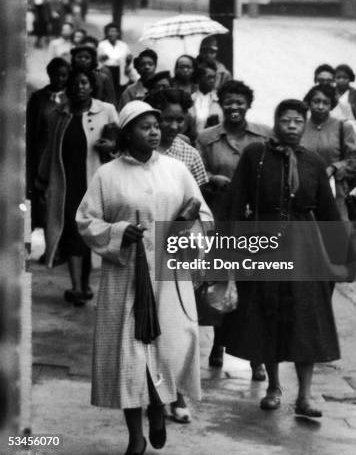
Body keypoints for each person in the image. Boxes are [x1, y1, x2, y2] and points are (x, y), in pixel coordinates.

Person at [76, 101, 212, 455]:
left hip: (169, 276)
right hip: (125, 278)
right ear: (127, 132)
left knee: (170, 346)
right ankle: (135, 436)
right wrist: (120, 232)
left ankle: (157, 408)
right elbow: (87, 221)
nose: (154, 131)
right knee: (129, 358)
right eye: (144, 126)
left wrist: (185, 229)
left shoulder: (177, 170)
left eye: (156, 125)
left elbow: (205, 217)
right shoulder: (107, 174)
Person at [222, 99, 353, 417]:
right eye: (286, 120)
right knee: (270, 317)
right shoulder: (257, 155)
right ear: (276, 122)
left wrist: (342, 256)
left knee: (306, 321)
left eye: (298, 121)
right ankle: (273, 387)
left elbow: (327, 212)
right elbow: (237, 202)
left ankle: (305, 397)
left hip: (306, 251)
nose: (292, 126)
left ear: (305, 125)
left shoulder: (314, 162)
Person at [196, 80, 271, 379]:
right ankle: (218, 344)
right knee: (219, 283)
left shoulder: (264, 136)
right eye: (229, 101)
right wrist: (212, 177)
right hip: (220, 219)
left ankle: (256, 358)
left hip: (253, 223)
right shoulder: (206, 138)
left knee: (253, 288)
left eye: (240, 102)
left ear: (248, 104)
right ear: (220, 103)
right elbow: (194, 177)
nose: (234, 107)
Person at [146, 88, 209, 423]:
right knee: (145, 328)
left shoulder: (189, 155)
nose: (171, 125)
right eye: (165, 118)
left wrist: (190, 222)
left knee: (180, 329)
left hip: (177, 254)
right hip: (142, 250)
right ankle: (150, 393)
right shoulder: (139, 151)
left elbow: (203, 208)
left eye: (178, 119)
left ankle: (178, 394)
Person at [36, 69, 118, 306]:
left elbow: (121, 143)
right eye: (74, 83)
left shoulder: (107, 111)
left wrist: (111, 146)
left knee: (89, 235)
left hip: (94, 185)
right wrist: (41, 183)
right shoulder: (58, 114)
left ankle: (85, 283)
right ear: (68, 88)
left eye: (84, 83)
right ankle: (77, 287)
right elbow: (50, 151)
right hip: (66, 187)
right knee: (72, 233)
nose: (79, 87)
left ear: (91, 86)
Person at [302, 84, 356, 221]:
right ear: (309, 103)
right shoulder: (300, 127)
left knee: (336, 235)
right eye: (316, 101)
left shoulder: (343, 127)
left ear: (332, 105)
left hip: (335, 193)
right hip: (305, 193)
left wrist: (334, 167)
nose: (320, 106)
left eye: (325, 102)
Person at [26, 57, 70, 230]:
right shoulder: (39, 98)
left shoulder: (71, 98)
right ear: (49, 75)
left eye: (64, 75)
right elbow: (31, 128)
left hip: (63, 155)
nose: (60, 79)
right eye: (56, 75)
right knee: (42, 196)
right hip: (42, 154)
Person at [71, 37, 117, 105]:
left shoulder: (102, 76)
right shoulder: (70, 76)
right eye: (80, 57)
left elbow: (111, 100)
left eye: (87, 57)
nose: (83, 60)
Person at [97, 23, 134, 96]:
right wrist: (102, 57)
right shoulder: (102, 44)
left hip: (120, 71)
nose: (112, 33)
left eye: (115, 31)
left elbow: (128, 58)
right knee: (108, 91)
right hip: (106, 71)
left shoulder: (123, 45)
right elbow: (98, 59)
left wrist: (128, 62)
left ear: (118, 33)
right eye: (110, 31)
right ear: (107, 33)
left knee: (120, 91)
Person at [189, 62, 223, 135]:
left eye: (214, 77)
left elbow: (231, 116)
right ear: (199, 79)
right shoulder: (190, 100)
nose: (212, 81)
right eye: (209, 77)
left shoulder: (220, 100)